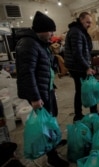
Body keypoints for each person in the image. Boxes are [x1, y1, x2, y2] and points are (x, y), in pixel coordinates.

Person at [15, 11, 69, 167]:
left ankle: (53, 141)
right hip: (37, 92)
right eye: (50, 31)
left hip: (46, 88)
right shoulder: (28, 44)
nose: (52, 34)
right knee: (45, 122)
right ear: (40, 29)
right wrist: (34, 97)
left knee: (51, 117)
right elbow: (26, 73)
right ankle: (52, 157)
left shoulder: (39, 43)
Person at [64, 12, 98, 121]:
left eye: (90, 23)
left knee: (80, 90)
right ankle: (92, 113)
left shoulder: (79, 31)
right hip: (77, 67)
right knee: (88, 89)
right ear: (81, 19)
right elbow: (77, 53)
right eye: (87, 22)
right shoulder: (76, 32)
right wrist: (87, 67)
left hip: (78, 66)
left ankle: (79, 114)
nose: (89, 25)